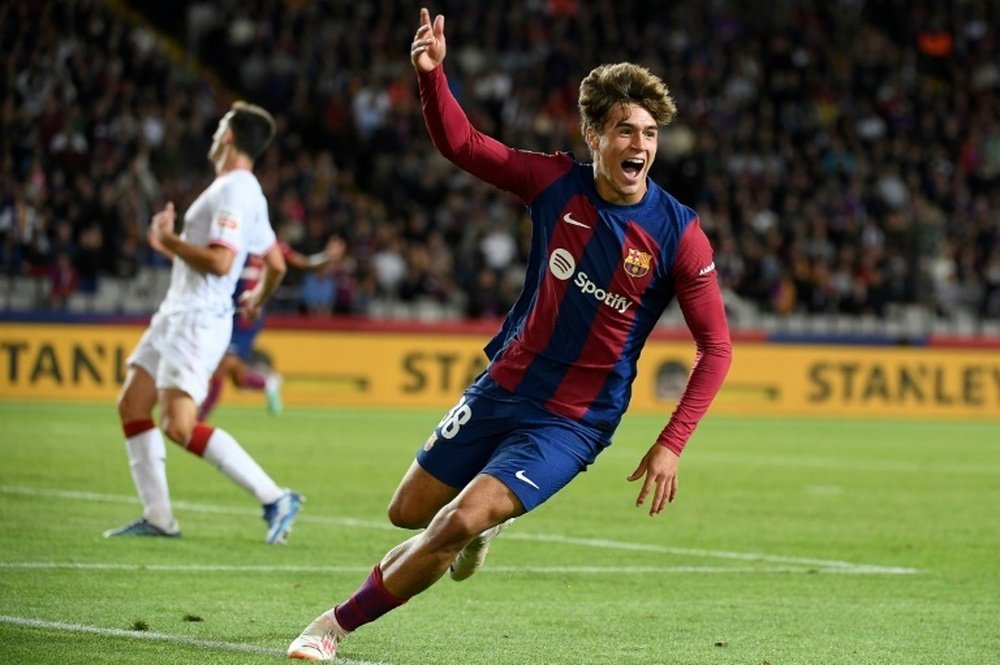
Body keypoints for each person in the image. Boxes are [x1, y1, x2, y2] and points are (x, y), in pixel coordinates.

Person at [287, 7, 732, 659]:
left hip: (573, 420)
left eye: (649, 133)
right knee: (407, 512)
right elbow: (464, 145)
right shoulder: (555, 185)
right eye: (624, 130)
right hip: (504, 385)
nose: (640, 144)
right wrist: (433, 76)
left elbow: (716, 346)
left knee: (454, 519)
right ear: (593, 135)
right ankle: (477, 534)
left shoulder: (678, 234)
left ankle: (331, 627)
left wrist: (672, 442)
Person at [105, 101, 303, 545]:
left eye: (219, 128)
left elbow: (220, 261)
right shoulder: (242, 191)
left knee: (178, 424)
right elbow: (275, 264)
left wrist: (170, 240)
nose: (214, 135)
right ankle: (159, 518)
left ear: (229, 136)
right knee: (132, 405)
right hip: (175, 313)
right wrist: (257, 296)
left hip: (196, 320)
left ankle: (275, 496)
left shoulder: (235, 190)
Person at [196, 235, 347, 421]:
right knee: (239, 378)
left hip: (248, 313)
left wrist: (327, 256)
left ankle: (199, 419)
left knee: (223, 365)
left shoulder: (270, 244)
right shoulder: (232, 240)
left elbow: (303, 262)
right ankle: (267, 383)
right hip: (225, 312)